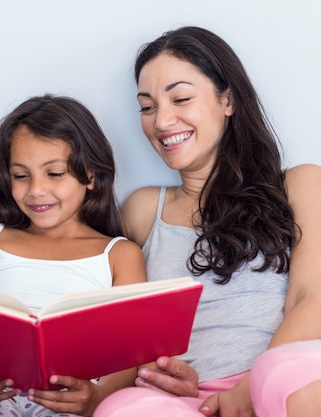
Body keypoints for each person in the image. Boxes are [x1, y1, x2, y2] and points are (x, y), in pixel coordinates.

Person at [92, 26, 321, 417]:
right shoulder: (145, 209)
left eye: (180, 98)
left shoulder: (299, 183)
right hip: (189, 400)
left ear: (228, 100)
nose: (162, 121)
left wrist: (250, 387)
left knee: (281, 374)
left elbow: (312, 297)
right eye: (147, 107)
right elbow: (111, 313)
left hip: (279, 380)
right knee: (124, 406)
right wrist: (6, 214)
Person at [0, 95, 147, 417]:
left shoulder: (120, 254)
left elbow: (130, 355)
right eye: (21, 176)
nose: (36, 190)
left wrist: (97, 396)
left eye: (54, 174)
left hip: (68, 401)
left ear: (90, 175)